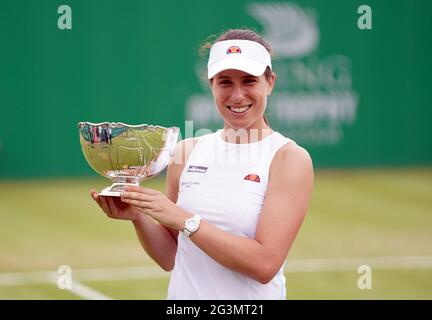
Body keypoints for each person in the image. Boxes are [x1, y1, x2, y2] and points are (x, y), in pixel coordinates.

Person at [91, 28, 314, 300]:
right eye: (225, 82)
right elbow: (171, 257)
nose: (237, 95)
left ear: (270, 82)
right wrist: (138, 216)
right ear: (210, 85)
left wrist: (185, 220)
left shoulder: (288, 158)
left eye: (248, 81)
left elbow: (264, 264)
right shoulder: (187, 151)